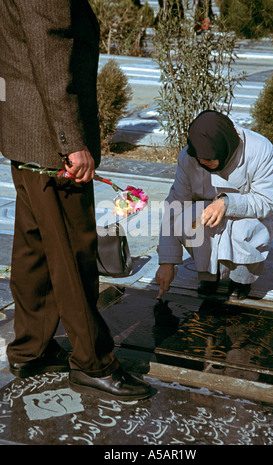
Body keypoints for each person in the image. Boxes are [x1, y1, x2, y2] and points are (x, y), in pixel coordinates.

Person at [0, 0, 151, 401]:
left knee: (33, 249)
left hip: (26, 132)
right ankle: (94, 362)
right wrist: (72, 143)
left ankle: (30, 349)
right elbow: (49, 55)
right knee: (73, 256)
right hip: (51, 141)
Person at [156, 110, 273, 300]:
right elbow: (175, 205)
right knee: (190, 219)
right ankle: (209, 275)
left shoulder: (260, 150)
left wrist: (227, 204)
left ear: (224, 148)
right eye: (199, 159)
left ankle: (241, 279)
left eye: (208, 160)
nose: (202, 162)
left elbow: (266, 201)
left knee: (240, 229)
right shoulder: (188, 157)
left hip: (252, 213)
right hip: (207, 210)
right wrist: (166, 261)